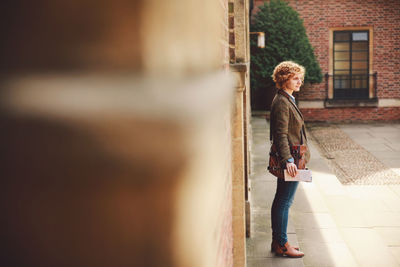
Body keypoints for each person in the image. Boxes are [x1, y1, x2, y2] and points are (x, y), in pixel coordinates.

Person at [269, 61, 310, 258]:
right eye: (295, 78)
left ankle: (278, 240)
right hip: (291, 159)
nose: (299, 81)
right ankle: (282, 244)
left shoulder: (287, 98)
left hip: (294, 157)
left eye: (300, 78)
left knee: (282, 199)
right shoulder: (282, 102)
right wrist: (288, 160)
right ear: (284, 79)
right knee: (284, 201)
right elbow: (280, 134)